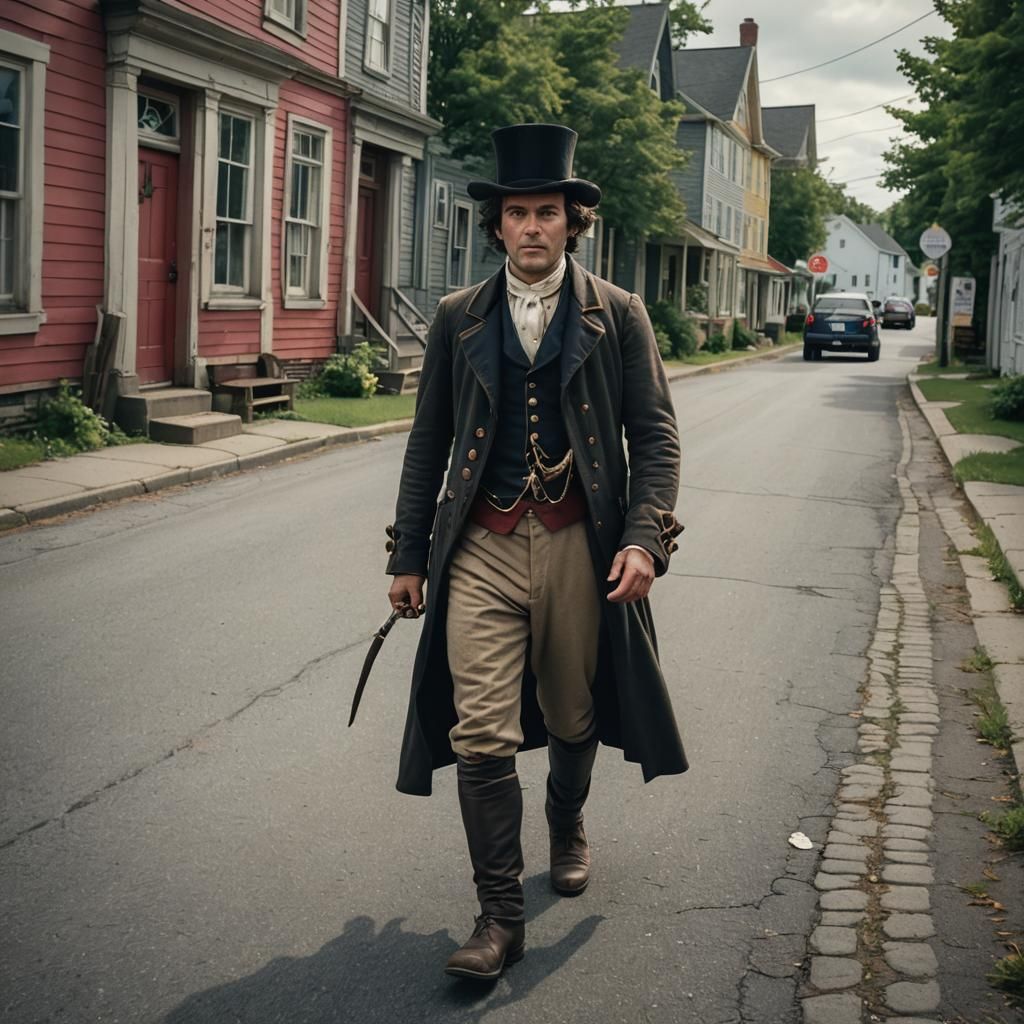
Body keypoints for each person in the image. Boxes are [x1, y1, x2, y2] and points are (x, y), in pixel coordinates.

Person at [384, 123, 687, 981]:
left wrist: (643, 540)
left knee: (569, 713)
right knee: (480, 727)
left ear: (572, 221)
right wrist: (409, 555)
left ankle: (567, 814)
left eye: (545, 213)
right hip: (477, 541)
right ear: (496, 226)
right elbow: (426, 442)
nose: (530, 228)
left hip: (575, 543)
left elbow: (654, 439)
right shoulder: (457, 317)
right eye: (515, 213)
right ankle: (500, 917)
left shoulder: (619, 315)